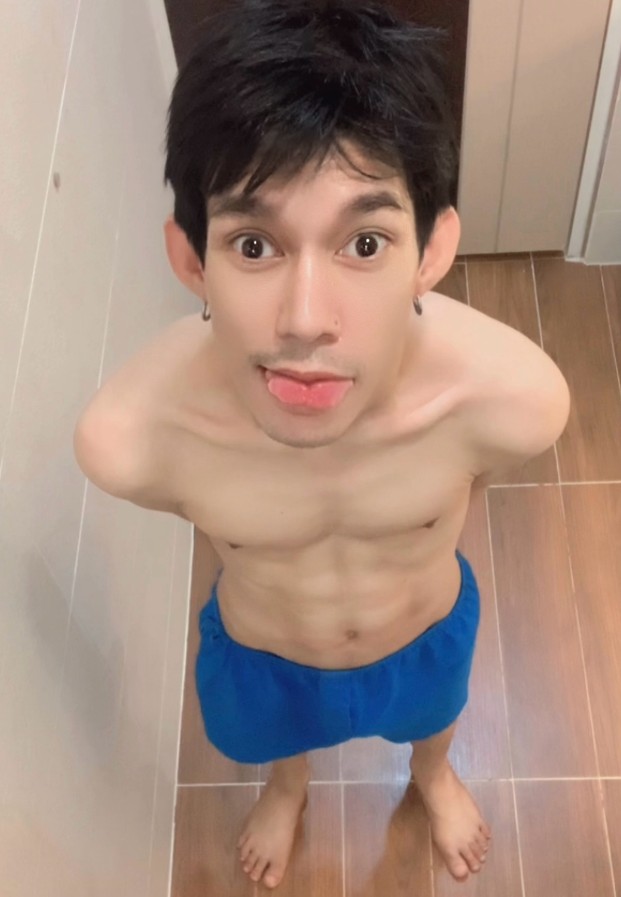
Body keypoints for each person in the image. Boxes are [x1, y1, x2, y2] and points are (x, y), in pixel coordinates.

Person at [74, 0, 571, 889]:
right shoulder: (135, 440)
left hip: (422, 634)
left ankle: (431, 774)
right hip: (264, 656)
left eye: (365, 242)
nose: (305, 320)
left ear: (431, 252)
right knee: (276, 743)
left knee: (433, 719)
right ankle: (287, 784)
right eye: (254, 244)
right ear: (192, 262)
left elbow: (477, 484)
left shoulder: (508, 402)